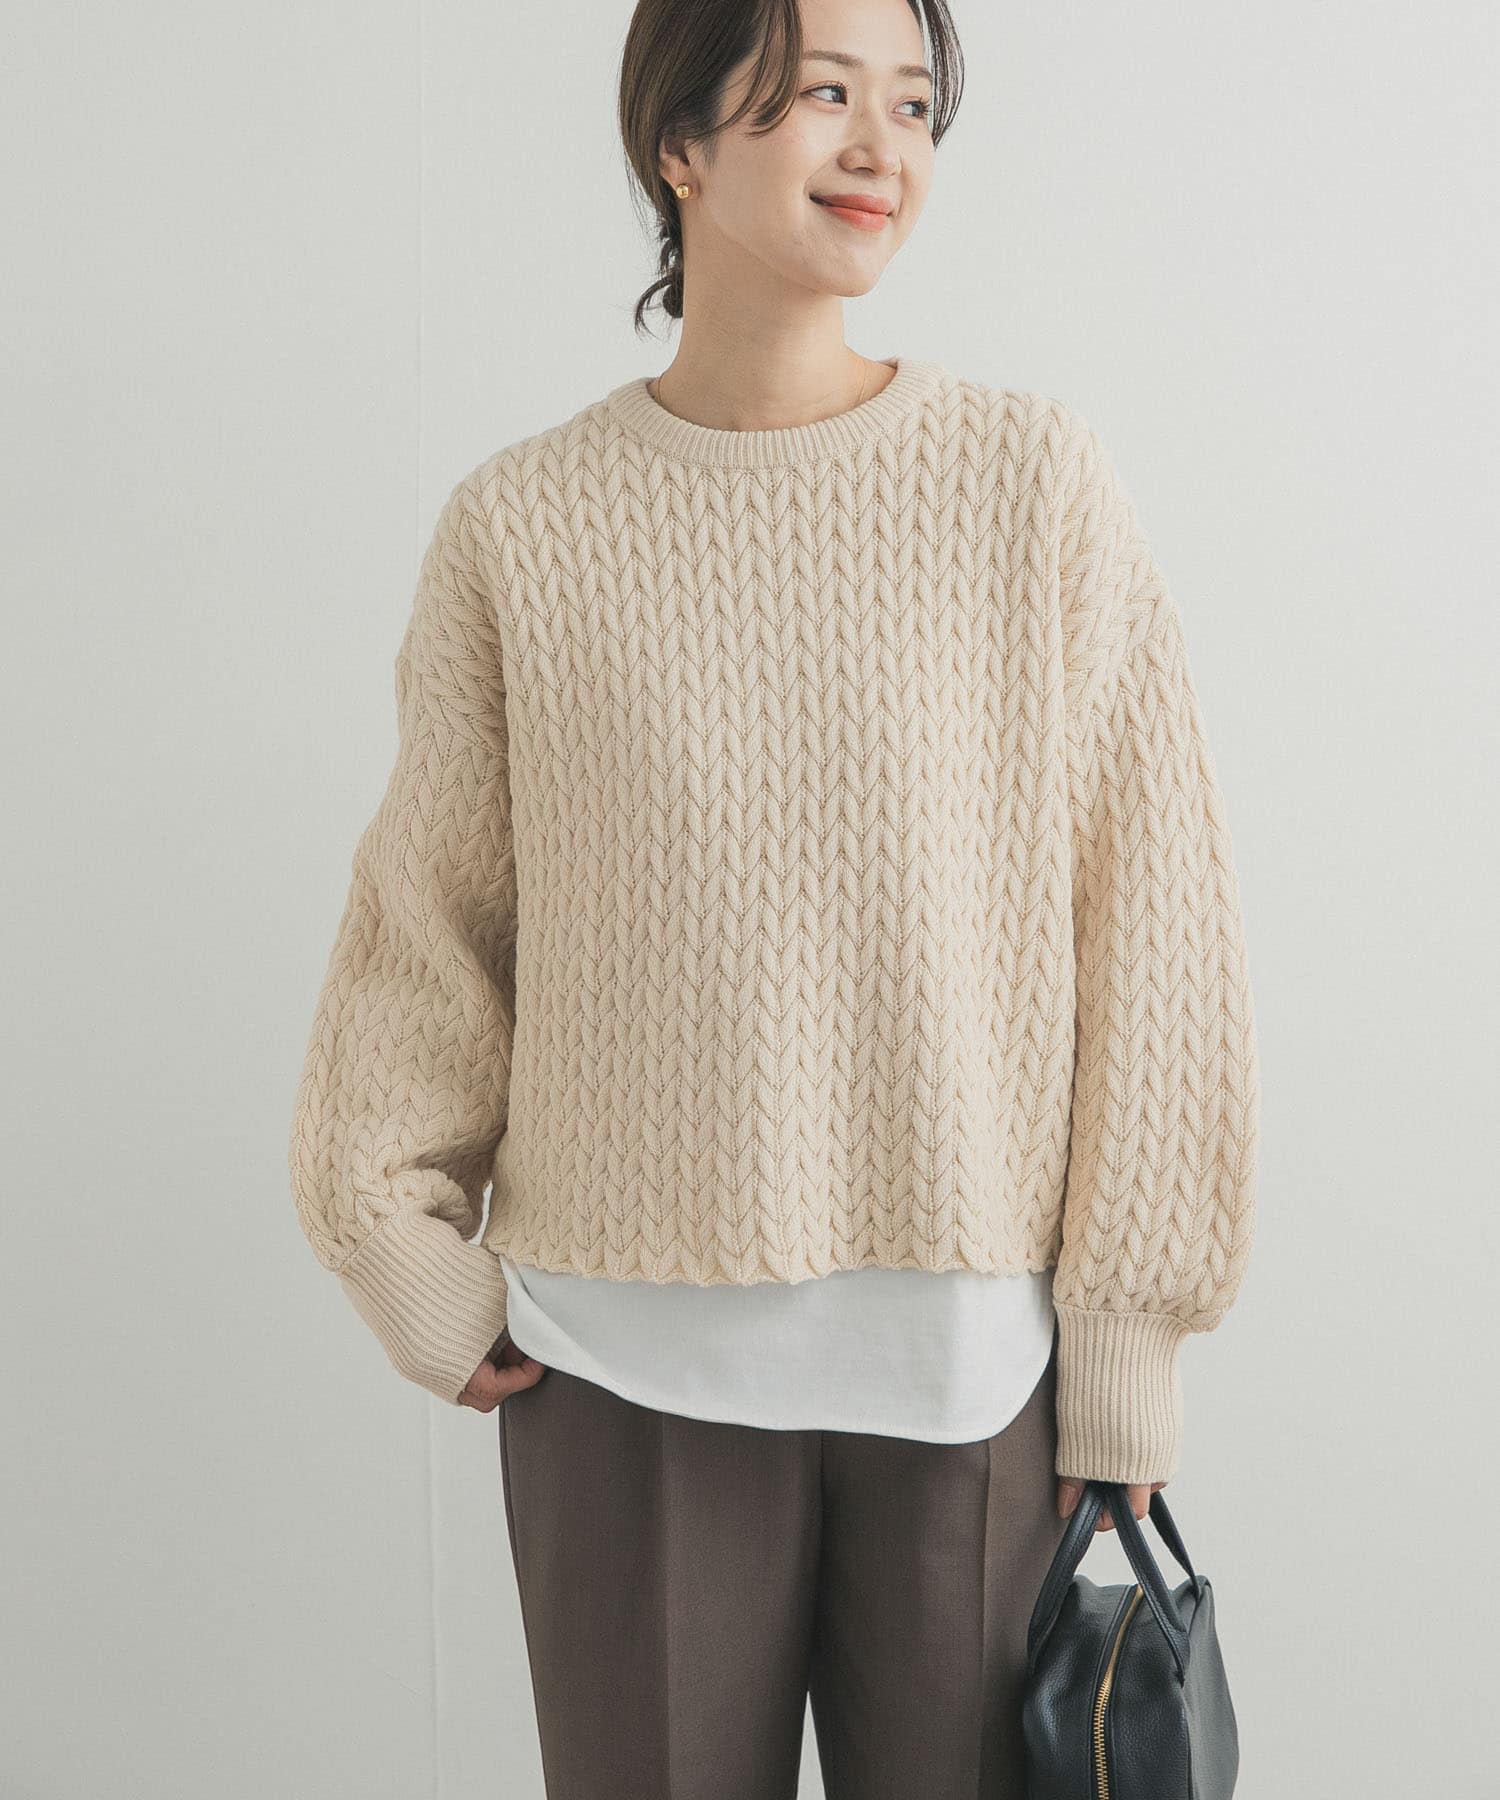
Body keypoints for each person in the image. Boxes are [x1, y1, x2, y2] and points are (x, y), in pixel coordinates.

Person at [286, 0, 1260, 1792]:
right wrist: (395, 1240)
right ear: (678, 139)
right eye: (822, 93)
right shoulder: (524, 528)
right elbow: (431, 925)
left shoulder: (1031, 488)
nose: (882, 148)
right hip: (615, 1371)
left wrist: (1128, 1338)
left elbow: (1156, 928)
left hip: (977, 1384)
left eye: (915, 104)